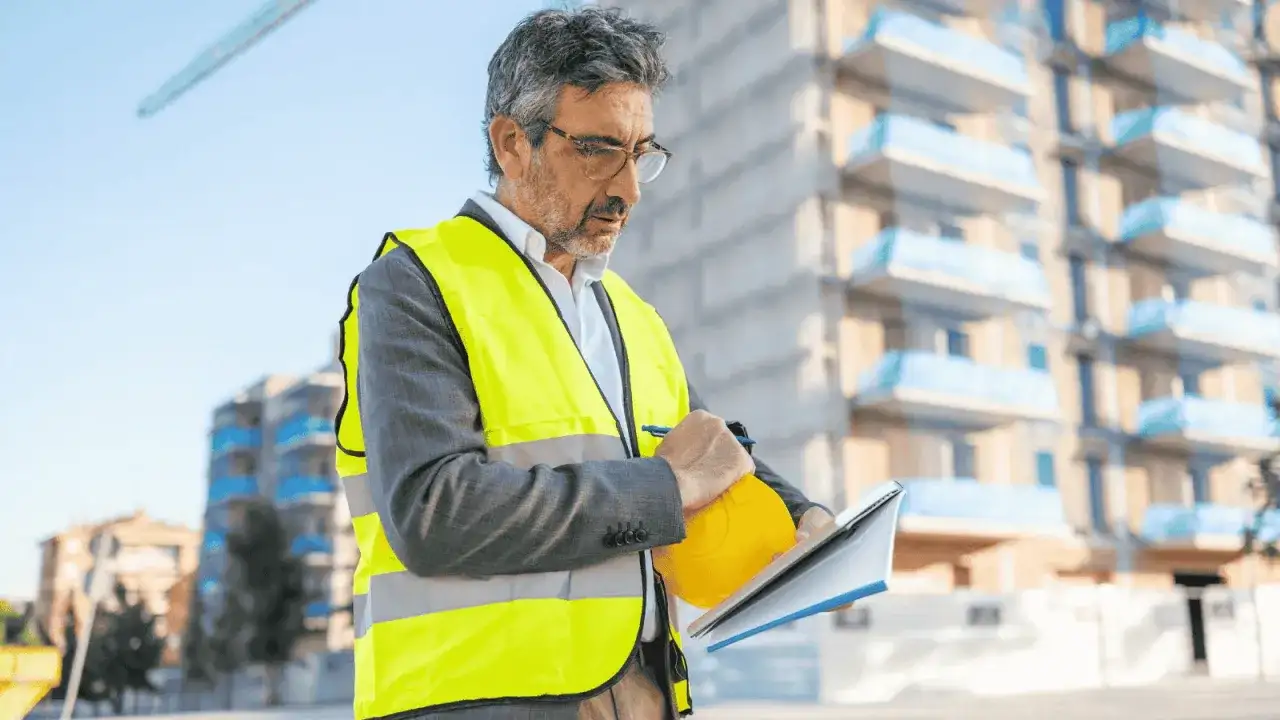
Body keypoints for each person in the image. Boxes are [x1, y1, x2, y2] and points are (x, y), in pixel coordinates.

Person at [333, 7, 839, 720]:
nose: (628, 190)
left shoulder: (631, 314)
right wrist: (666, 489)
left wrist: (808, 519)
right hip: (479, 701)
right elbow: (432, 511)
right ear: (513, 143)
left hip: (645, 692)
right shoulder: (416, 281)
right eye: (599, 150)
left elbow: (707, 452)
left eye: (642, 155)